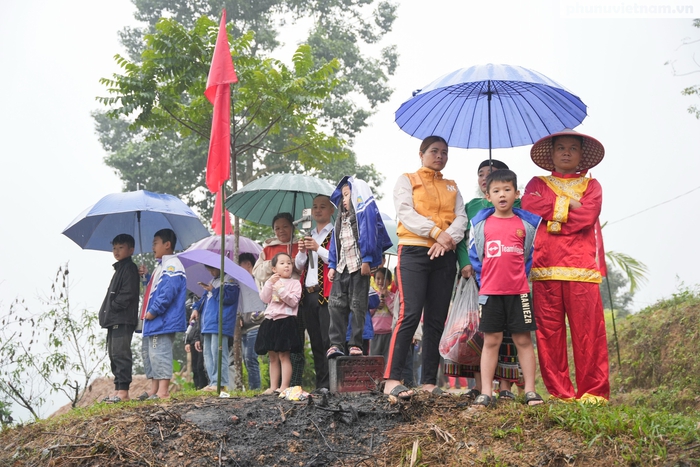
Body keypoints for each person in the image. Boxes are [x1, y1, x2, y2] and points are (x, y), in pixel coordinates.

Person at [521, 129, 609, 403]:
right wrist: (570, 203)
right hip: (545, 267)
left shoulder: (591, 186)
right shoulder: (537, 183)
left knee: (589, 333)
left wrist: (553, 218)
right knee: (549, 333)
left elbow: (588, 215)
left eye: (573, 148)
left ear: (582, 155)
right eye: (561, 148)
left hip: (583, 269)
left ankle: (593, 392)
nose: (567, 152)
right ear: (552, 154)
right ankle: (561, 393)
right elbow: (529, 205)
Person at [383, 135, 467, 399]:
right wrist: (435, 233)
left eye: (444, 152)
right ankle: (392, 380)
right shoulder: (407, 179)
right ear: (421, 153)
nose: (440, 156)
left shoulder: (453, 186)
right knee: (409, 314)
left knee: (435, 320)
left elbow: (462, 218)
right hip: (413, 251)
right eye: (434, 151)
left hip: (445, 255)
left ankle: (429, 382)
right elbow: (406, 213)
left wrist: (448, 239)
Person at [468, 169, 544, 407]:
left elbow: (529, 256)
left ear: (516, 193)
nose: (502, 195)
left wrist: (520, 278)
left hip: (519, 293)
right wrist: (486, 281)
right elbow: (475, 256)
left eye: (507, 190)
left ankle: (530, 390)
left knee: (523, 340)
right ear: (487, 196)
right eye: (496, 191)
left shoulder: (526, 224)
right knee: (492, 341)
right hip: (490, 294)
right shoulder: (481, 225)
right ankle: (487, 392)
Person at [452, 159, 524, 400]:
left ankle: (505, 386)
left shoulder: (518, 207)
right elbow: (463, 239)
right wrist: (465, 264)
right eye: (481, 174)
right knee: (478, 332)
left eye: (492, 173)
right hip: (477, 277)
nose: (485, 177)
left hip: (511, 280)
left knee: (509, 334)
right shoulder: (472, 206)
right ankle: (480, 385)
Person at [326, 176, 392, 359]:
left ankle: (355, 343)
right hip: (342, 268)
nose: (344, 199)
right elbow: (335, 244)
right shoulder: (340, 220)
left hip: (358, 268)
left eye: (347, 195)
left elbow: (369, 235)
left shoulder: (362, 218)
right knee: (336, 306)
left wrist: (367, 260)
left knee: (358, 306)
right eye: (343, 196)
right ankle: (336, 344)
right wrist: (332, 265)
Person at [252, 212, 304, 386]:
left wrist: (294, 261)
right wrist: (273, 263)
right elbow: (257, 273)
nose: (281, 231)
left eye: (285, 227)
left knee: (293, 347)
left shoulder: (300, 244)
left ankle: (293, 383)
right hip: (274, 307)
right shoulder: (267, 248)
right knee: (274, 351)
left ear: (293, 227)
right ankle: (275, 386)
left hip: (296, 300)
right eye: (277, 228)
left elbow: (305, 268)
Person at [138, 228, 187, 400]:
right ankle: (154, 389)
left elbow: (168, 291)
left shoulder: (172, 264)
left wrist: (153, 311)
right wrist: (147, 276)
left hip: (163, 319)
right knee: (150, 354)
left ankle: (163, 391)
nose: (152, 247)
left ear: (167, 245)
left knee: (160, 353)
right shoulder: (161, 265)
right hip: (154, 321)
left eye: (155, 243)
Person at [295, 195, 335, 390]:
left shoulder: (335, 233)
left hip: (326, 294)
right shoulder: (308, 234)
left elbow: (336, 259)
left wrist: (318, 248)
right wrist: (302, 250)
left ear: (331, 211)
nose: (318, 210)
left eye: (322, 207)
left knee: (328, 339)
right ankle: (321, 384)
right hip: (308, 294)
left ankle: (331, 383)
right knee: (316, 340)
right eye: (315, 207)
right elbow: (298, 265)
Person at [99, 233, 140, 403]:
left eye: (121, 247)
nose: (116, 251)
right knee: (114, 354)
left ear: (131, 250)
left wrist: (114, 306)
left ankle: (123, 391)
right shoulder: (120, 268)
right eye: (114, 248)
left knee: (121, 354)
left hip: (122, 319)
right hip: (114, 319)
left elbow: (128, 294)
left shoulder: (129, 268)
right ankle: (117, 389)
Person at [255, 252, 303, 395]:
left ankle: (284, 386)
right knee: (273, 357)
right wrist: (270, 283)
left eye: (289, 263)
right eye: (282, 263)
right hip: (271, 320)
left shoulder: (295, 283)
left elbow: (294, 301)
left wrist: (281, 289)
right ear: (274, 268)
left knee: (284, 356)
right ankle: (273, 386)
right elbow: (264, 298)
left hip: (286, 320)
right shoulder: (272, 281)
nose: (286, 266)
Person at [191, 265, 240, 391]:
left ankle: (221, 383)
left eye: (213, 269)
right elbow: (203, 299)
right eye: (209, 270)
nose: (211, 272)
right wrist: (196, 309)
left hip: (220, 322)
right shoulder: (212, 281)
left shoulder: (230, 281)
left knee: (218, 353)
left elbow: (229, 299)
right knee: (208, 354)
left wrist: (214, 290)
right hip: (207, 323)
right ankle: (213, 382)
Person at [237, 252, 264, 390]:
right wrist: (240, 318)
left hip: (256, 324)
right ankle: (253, 388)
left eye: (239, 265)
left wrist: (258, 314)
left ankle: (255, 389)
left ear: (248, 264)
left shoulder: (257, 281)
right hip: (244, 326)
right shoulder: (241, 284)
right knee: (246, 360)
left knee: (250, 357)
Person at [369, 267, 396, 361]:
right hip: (375, 333)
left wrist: (387, 299)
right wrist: (376, 305)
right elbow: (368, 314)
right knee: (374, 360)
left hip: (389, 332)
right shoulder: (373, 296)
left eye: (384, 279)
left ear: (389, 281)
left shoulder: (393, 296)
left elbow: (395, 313)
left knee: (387, 360)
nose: (380, 281)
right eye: (378, 278)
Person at [185, 294, 208, 390]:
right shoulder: (188, 303)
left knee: (201, 366)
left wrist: (198, 338)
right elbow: (187, 323)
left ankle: (204, 386)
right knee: (194, 367)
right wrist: (186, 341)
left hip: (201, 337)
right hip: (191, 338)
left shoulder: (205, 300)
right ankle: (197, 387)